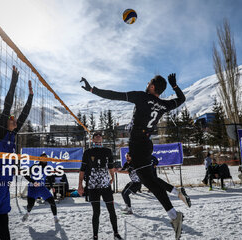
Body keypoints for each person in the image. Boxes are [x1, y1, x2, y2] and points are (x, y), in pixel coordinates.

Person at [81, 73, 190, 239]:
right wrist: (175, 86)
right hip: (146, 144)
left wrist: (92, 89)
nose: (147, 83)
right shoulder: (163, 104)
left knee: (149, 181)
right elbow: (181, 99)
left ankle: (175, 215)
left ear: (152, 87)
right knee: (149, 180)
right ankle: (175, 206)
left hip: (138, 144)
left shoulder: (142, 97)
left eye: (149, 82)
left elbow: (114, 95)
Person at [0, 66, 33, 240]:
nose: (15, 119)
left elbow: (23, 115)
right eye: (12, 118)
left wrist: (31, 96)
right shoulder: (1, 132)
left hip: (3, 188)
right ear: (3, 122)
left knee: (4, 229)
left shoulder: (12, 134)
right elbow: (7, 105)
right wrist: (14, 80)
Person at [78, 132, 122, 240]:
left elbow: (111, 166)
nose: (98, 136)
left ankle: (116, 233)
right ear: (92, 140)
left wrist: (112, 177)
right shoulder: (88, 152)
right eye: (96, 136)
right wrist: (80, 185)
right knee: (96, 212)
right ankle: (95, 236)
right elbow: (82, 169)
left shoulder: (107, 151)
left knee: (111, 210)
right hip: (93, 185)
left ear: (102, 139)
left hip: (105, 184)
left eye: (100, 135)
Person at [22, 153, 58, 223]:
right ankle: (27, 213)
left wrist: (52, 186)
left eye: (46, 157)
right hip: (33, 188)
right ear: (40, 159)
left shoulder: (47, 168)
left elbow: (50, 178)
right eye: (43, 158)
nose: (44, 159)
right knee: (30, 205)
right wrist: (33, 182)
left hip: (42, 188)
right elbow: (25, 175)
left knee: (52, 202)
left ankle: (55, 217)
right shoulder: (34, 167)